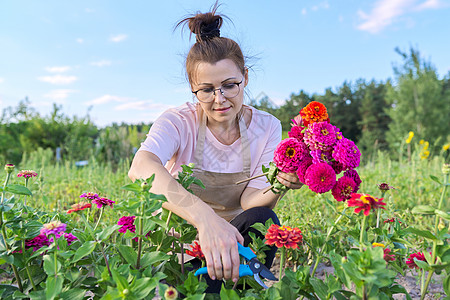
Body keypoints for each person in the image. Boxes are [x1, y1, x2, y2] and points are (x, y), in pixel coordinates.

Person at [128, 3, 302, 293]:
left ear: (245, 77)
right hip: (182, 245)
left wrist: (281, 183)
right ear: (192, 88)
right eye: (207, 89)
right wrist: (206, 221)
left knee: (264, 220)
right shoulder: (178, 120)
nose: (219, 99)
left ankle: (244, 287)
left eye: (230, 85)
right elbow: (141, 166)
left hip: (237, 242)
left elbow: (249, 202)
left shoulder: (267, 126)